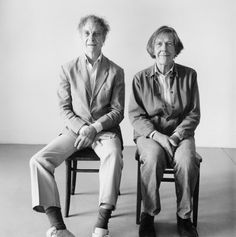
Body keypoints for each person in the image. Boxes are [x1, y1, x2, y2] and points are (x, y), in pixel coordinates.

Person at [30, 14, 125, 237]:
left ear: (104, 39)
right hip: (75, 130)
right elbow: (64, 109)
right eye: (87, 33)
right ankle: (59, 227)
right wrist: (83, 128)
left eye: (97, 33)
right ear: (80, 37)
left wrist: (95, 128)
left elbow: (117, 111)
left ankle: (102, 224)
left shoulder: (116, 71)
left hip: (105, 132)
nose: (91, 37)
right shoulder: (67, 69)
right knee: (38, 160)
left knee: (113, 155)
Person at [128, 26, 200, 237]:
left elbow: (193, 113)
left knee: (187, 161)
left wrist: (176, 136)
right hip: (150, 134)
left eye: (169, 43)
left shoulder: (190, 75)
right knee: (151, 157)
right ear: (152, 47)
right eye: (159, 43)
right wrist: (158, 136)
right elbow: (135, 115)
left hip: (180, 133)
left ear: (176, 48)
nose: (164, 48)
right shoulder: (140, 78)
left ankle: (184, 218)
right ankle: (148, 216)